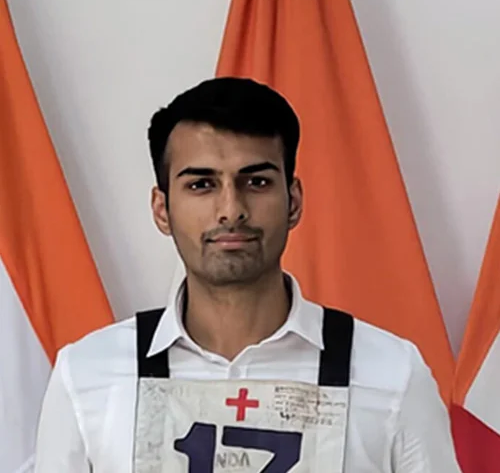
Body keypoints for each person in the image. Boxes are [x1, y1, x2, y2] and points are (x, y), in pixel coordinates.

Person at [34, 77, 461, 472]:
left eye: (256, 182)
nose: (231, 209)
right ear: (162, 209)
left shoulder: (391, 374)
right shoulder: (87, 374)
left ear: (293, 201)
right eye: (201, 185)